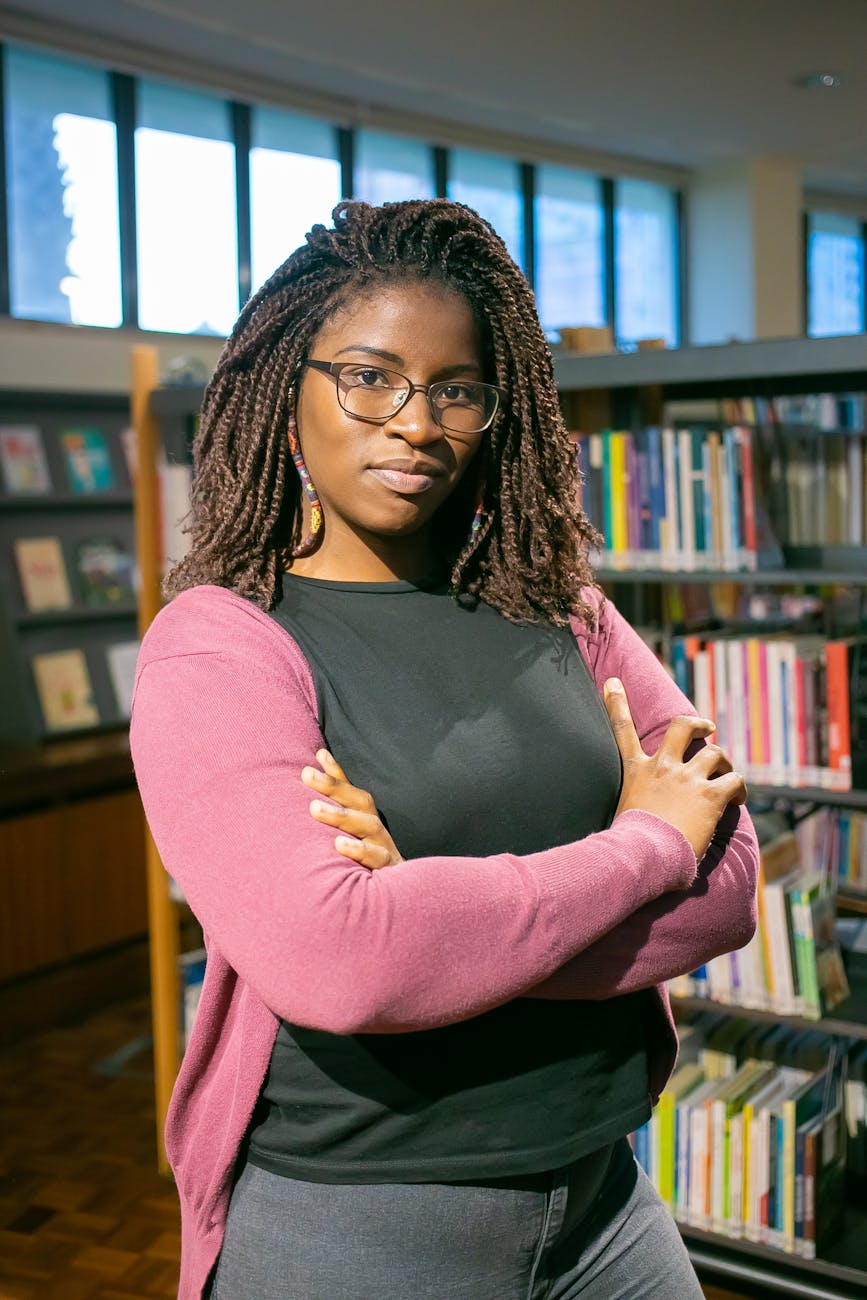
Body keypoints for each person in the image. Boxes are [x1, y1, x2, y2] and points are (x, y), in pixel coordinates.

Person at [130, 198, 759, 1300]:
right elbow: (346, 963)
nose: (414, 421)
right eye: (369, 376)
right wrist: (643, 845)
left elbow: (733, 889)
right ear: (289, 395)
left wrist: (429, 910)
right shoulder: (223, 645)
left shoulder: (564, 610)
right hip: (363, 1222)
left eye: (457, 388)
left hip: (607, 1200)